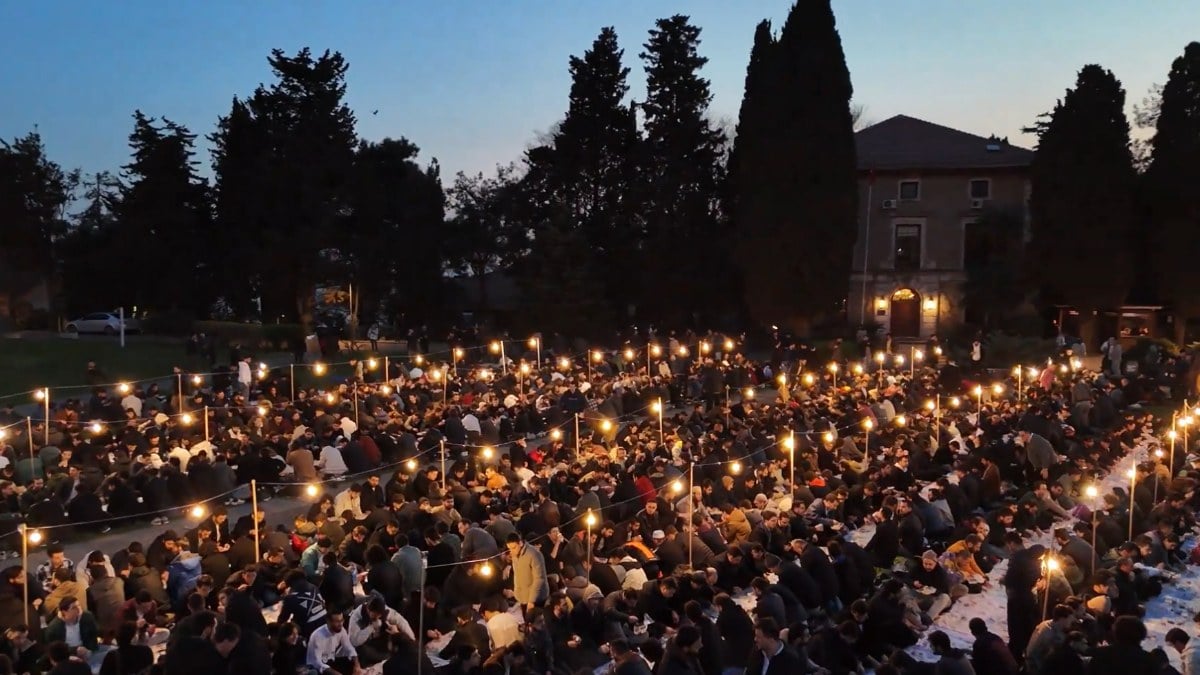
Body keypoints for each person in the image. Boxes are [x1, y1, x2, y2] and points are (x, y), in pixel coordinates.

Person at [506, 533, 548, 613]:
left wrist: (532, 601)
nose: (512, 551)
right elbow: (517, 575)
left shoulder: (534, 554)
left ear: (520, 543)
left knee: (536, 622)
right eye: (509, 548)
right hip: (523, 598)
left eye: (514, 548)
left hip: (537, 598)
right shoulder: (515, 555)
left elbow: (539, 579)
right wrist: (517, 593)